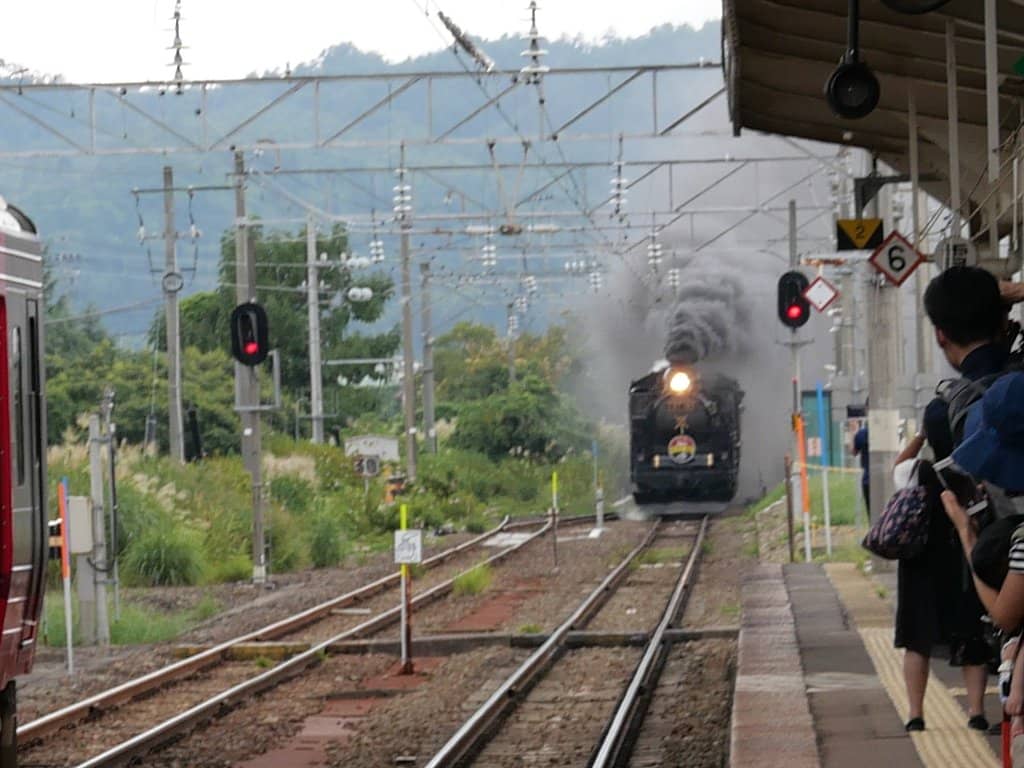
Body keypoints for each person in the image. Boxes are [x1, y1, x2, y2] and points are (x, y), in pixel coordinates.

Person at [894, 266, 1009, 733]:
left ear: (940, 336)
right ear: (1003, 321)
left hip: (992, 549)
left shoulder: (943, 412)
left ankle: (924, 714)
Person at [853, 418, 869, 519]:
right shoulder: (889, 430)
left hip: (868, 480)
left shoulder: (862, 434)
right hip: (888, 479)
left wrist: (853, 431)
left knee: (872, 516)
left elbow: (854, 452)